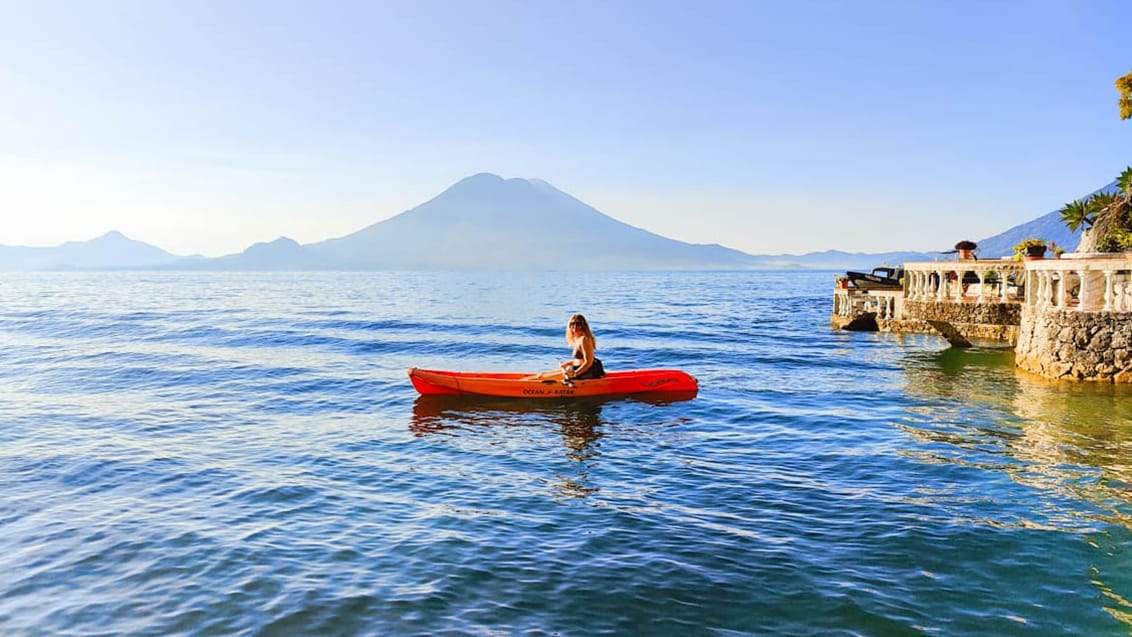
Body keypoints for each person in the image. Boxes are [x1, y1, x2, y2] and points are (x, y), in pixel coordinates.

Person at [534, 313, 606, 381]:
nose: (574, 326)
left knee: (541, 377)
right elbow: (580, 360)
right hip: (576, 368)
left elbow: (588, 362)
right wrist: (568, 363)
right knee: (542, 375)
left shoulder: (584, 339)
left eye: (578, 324)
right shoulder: (577, 338)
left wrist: (574, 374)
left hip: (584, 372)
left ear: (583, 325)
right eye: (572, 324)